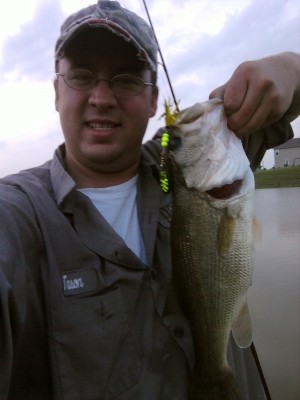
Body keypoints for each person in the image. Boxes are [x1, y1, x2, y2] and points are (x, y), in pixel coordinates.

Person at [0, 1, 299, 399]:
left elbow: (287, 96)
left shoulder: (180, 160)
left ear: (155, 99)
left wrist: (287, 67)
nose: (102, 97)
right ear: (57, 92)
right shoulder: (17, 217)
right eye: (83, 76)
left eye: (125, 78)